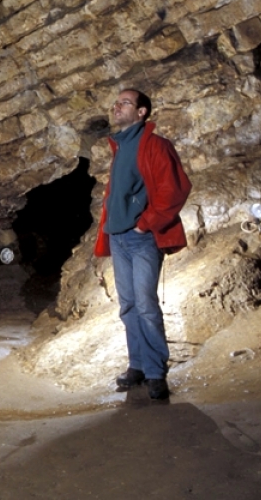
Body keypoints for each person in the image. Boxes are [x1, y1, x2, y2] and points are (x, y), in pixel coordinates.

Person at [94, 89, 191, 400]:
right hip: (119, 238)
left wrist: (145, 224)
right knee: (129, 306)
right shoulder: (120, 147)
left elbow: (174, 189)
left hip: (141, 239)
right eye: (116, 102)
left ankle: (154, 372)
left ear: (141, 112)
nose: (116, 106)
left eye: (125, 102)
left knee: (146, 305)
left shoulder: (155, 146)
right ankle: (137, 365)